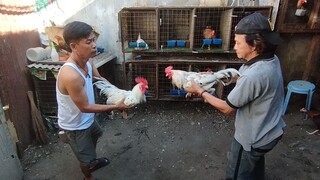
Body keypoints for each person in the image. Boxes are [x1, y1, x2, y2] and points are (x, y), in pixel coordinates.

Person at [185, 12, 286, 180]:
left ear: (253, 45)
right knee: (254, 166)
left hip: (253, 139)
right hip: (271, 130)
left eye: (238, 42)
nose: (234, 47)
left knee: (237, 174)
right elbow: (246, 80)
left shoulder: (254, 76)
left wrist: (200, 91)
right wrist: (215, 77)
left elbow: (227, 109)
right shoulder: (270, 60)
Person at [56, 21, 129, 180]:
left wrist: (118, 92)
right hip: (75, 125)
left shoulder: (87, 60)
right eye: (89, 42)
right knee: (84, 157)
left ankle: (92, 161)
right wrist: (115, 106)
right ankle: (88, 175)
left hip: (87, 119)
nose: (94, 45)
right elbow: (85, 106)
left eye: (94, 40)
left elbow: (99, 78)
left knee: (95, 137)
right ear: (74, 46)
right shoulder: (71, 75)